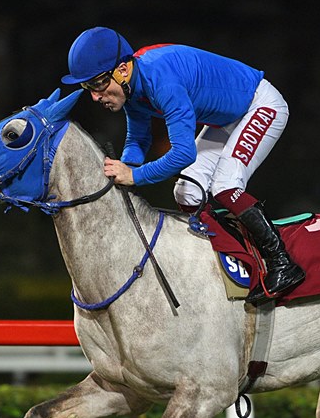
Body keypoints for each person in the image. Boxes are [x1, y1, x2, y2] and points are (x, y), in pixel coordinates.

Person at [61, 26, 305, 303]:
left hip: (260, 106)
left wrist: (135, 175)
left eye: (98, 84)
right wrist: (123, 170)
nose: (95, 96)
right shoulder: (133, 88)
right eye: (87, 87)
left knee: (225, 184)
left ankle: (283, 262)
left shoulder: (161, 80)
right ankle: (235, 261)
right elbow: (138, 138)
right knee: (187, 193)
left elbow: (183, 154)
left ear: (123, 71)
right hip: (227, 119)